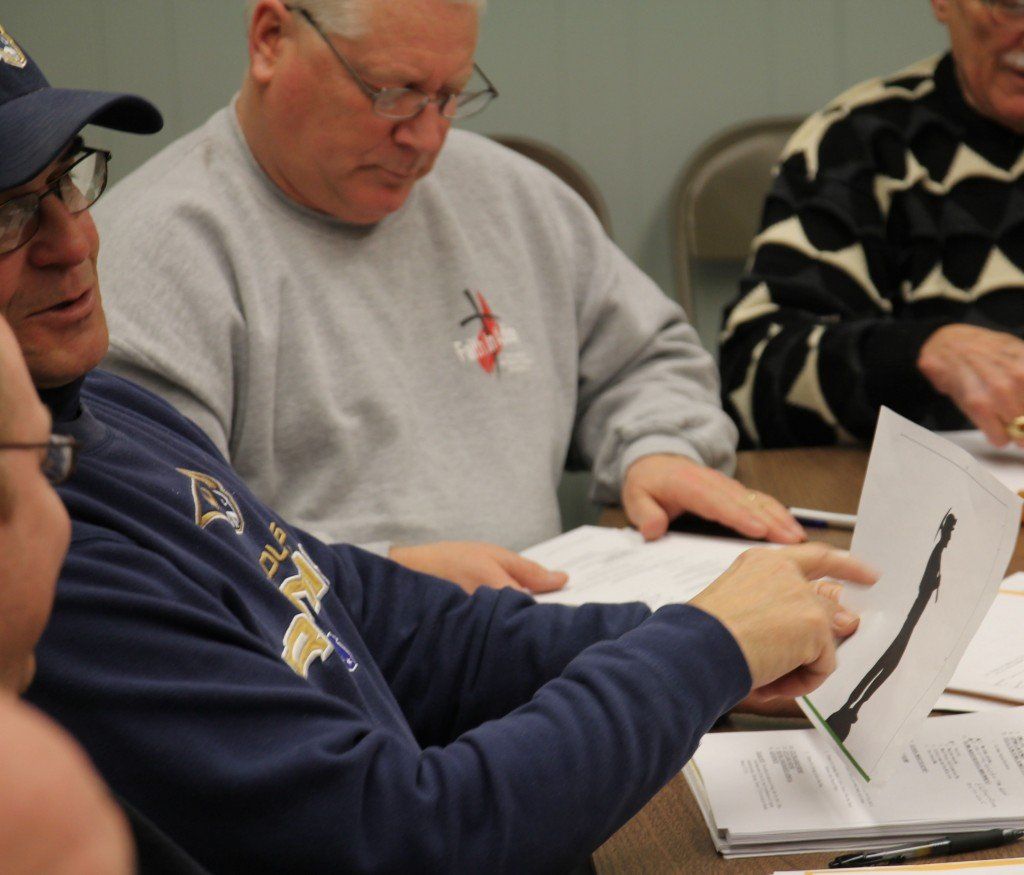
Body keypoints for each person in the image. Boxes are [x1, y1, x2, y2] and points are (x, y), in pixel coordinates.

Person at [0, 27, 879, 874]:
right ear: (271, 39)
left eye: (69, 181)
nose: (75, 241)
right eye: (9, 213)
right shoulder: (47, 552)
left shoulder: (93, 406)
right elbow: (406, 835)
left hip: (495, 758)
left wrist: (697, 635)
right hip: (461, 800)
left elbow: (375, 618)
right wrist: (700, 650)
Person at [94, 0, 806, 596]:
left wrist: (658, 449)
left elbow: (645, 358)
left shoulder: (510, 196)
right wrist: (388, 581)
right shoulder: (154, 257)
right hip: (331, 681)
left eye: (450, 96)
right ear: (271, 39)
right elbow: (172, 547)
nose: (427, 138)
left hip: (551, 636)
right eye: (393, 92)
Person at [720, 0, 1024, 450]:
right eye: (1009, 5)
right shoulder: (862, 142)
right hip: (925, 503)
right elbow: (754, 376)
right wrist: (923, 351)